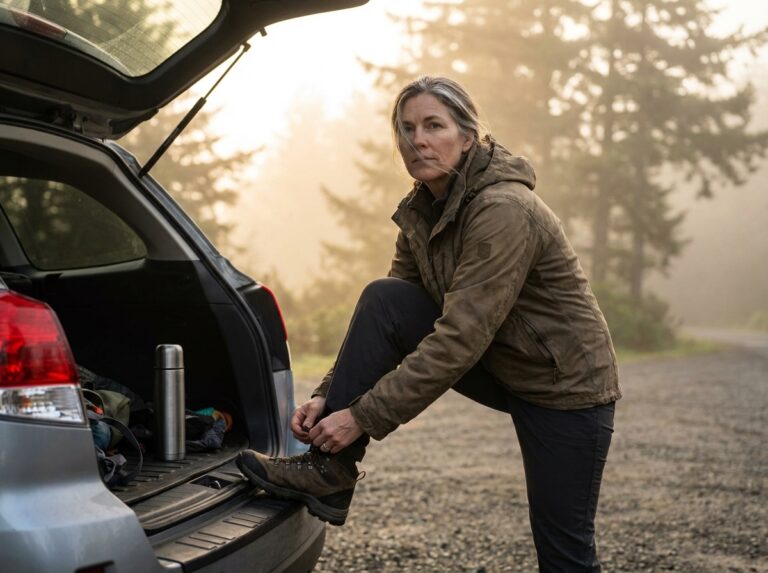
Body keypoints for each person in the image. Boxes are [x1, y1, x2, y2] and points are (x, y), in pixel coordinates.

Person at [237, 76, 621, 572]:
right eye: (407, 128)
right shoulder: (422, 208)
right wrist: (330, 396)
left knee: (563, 547)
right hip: (502, 363)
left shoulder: (504, 210)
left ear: (468, 136)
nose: (417, 139)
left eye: (433, 125)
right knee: (384, 296)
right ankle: (330, 471)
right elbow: (390, 318)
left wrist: (361, 416)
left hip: (564, 384)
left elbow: (459, 339)